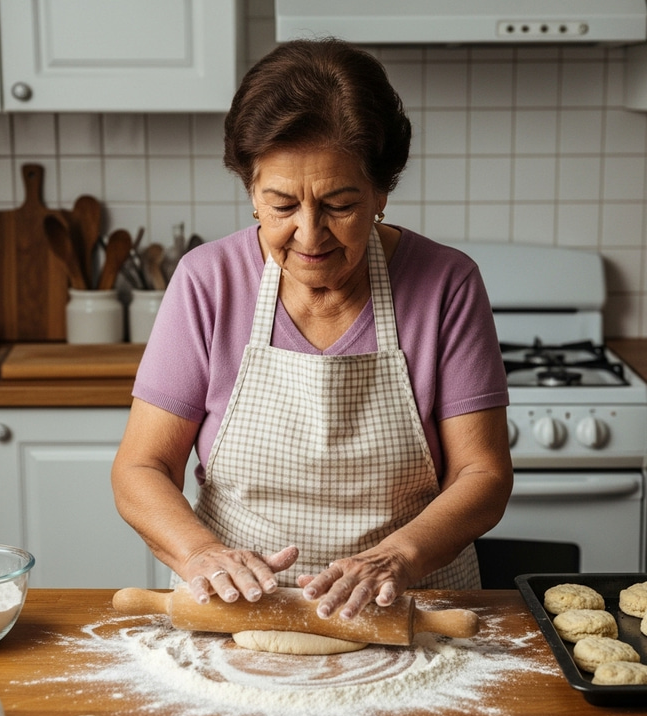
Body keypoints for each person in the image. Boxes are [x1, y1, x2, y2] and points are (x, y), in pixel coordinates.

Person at [111, 38, 512, 623]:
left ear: (382, 192)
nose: (309, 234)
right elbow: (140, 469)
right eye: (281, 205)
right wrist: (200, 553)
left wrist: (398, 557)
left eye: (339, 204)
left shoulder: (445, 283)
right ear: (251, 191)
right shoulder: (208, 281)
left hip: (409, 611)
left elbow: (484, 474)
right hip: (240, 610)